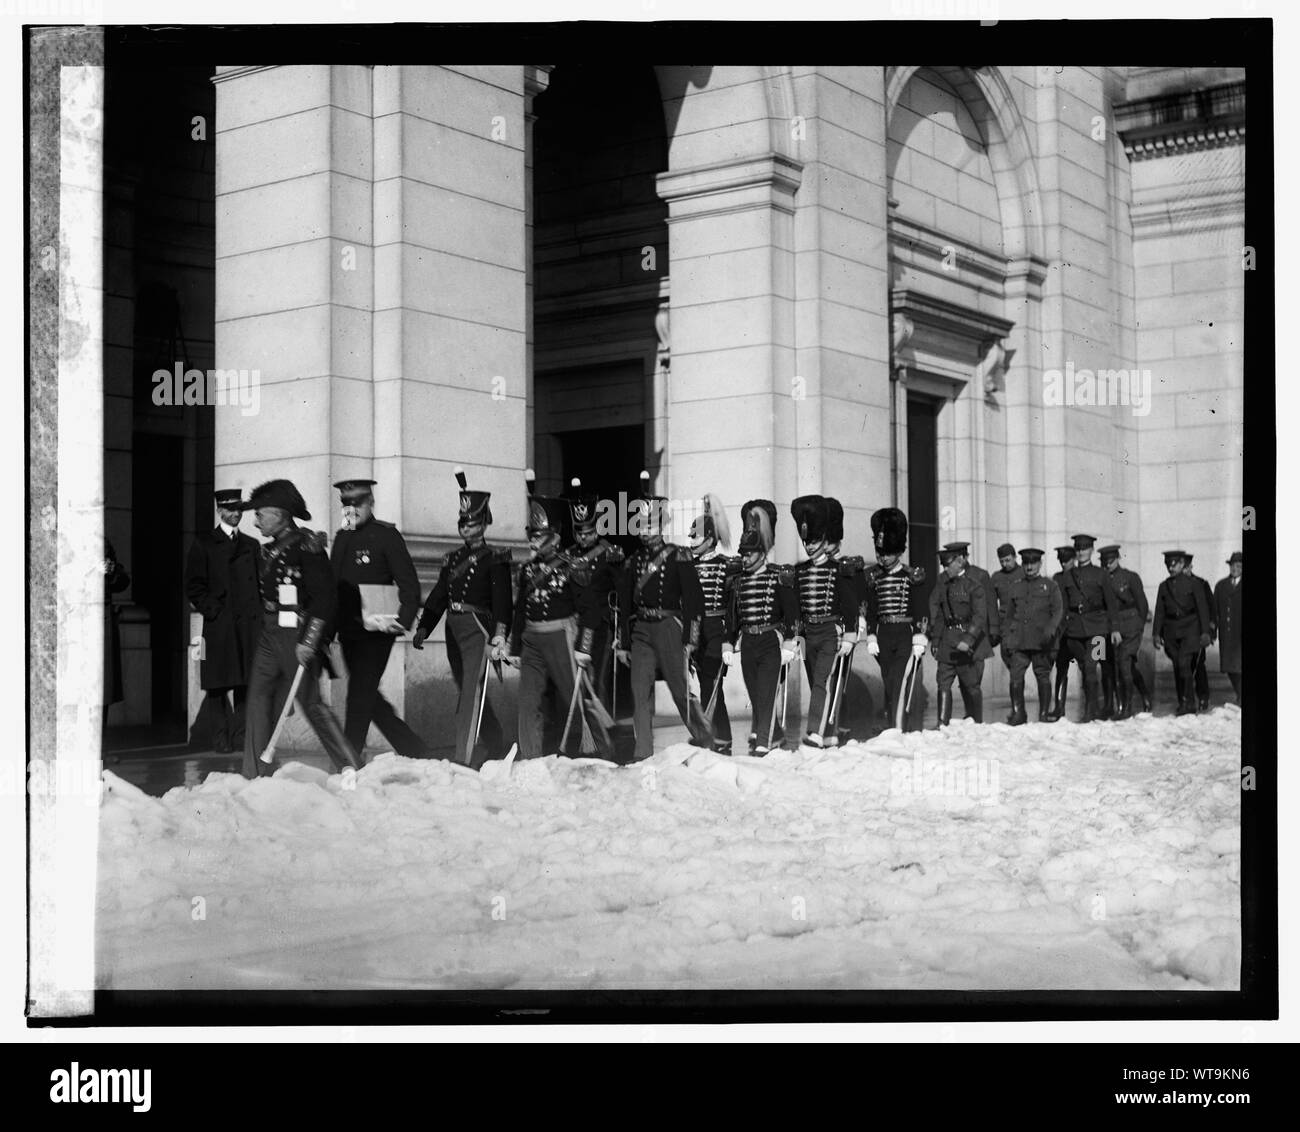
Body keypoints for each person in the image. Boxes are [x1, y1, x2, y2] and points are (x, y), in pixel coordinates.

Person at [238, 479, 360, 778]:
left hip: (297, 634)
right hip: (270, 632)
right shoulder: (267, 550)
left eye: (260, 514)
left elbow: (325, 597)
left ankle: (352, 769)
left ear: (280, 513)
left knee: (311, 704)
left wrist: (310, 640)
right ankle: (255, 775)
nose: (255, 522)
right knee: (257, 698)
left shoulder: (307, 545)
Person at [413, 467, 513, 765]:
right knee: (469, 687)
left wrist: (499, 634)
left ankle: (463, 758)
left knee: (470, 693)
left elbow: (503, 602)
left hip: (477, 629)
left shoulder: (495, 558)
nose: (465, 529)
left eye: (471, 524)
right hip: (452, 629)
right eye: (462, 523)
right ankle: (496, 741)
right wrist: (424, 627)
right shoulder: (452, 558)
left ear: (483, 524)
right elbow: (440, 595)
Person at [507, 477, 611, 760]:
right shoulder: (526, 570)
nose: (532, 540)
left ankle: (599, 750)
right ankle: (531, 757)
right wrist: (515, 647)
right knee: (528, 701)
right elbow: (520, 609)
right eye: (531, 534)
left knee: (574, 697)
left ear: (554, 537)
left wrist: (584, 647)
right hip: (532, 639)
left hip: (562, 636)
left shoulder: (572, 567)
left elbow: (590, 611)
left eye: (538, 536)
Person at [329, 478, 429, 762]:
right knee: (368, 695)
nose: (351, 509)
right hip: (350, 631)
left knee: (359, 693)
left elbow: (409, 584)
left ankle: (347, 759)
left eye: (357, 503)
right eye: (346, 504)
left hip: (378, 632)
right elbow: (333, 587)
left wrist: (403, 619)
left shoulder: (386, 536)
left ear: (370, 502)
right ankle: (413, 748)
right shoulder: (342, 537)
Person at [615, 471, 712, 762]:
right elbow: (624, 603)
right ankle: (642, 751)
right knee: (639, 690)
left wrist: (691, 638)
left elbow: (695, 601)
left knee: (679, 688)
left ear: (660, 525)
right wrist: (623, 642)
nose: (643, 531)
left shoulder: (678, 555)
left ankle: (703, 736)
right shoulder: (633, 561)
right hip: (643, 629)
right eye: (640, 525)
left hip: (670, 626)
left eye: (649, 525)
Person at [184, 489, 262, 752]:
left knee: (245, 682)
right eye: (229, 509)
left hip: (247, 625)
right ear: (219, 511)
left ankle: (240, 737)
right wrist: (213, 610)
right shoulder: (205, 542)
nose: (235, 514)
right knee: (217, 684)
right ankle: (220, 738)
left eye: (239, 509)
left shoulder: (251, 545)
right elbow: (193, 585)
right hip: (219, 625)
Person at [723, 500, 798, 755]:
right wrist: (727, 641)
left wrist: (790, 641)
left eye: (750, 553)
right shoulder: (737, 581)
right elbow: (734, 615)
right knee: (756, 694)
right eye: (743, 553)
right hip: (748, 643)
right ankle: (775, 734)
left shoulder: (778, 576)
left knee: (766, 694)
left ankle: (764, 742)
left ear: (762, 552)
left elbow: (791, 613)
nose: (745, 558)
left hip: (770, 642)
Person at [791, 495, 860, 748]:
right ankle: (830, 735)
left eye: (815, 541)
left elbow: (850, 605)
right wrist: (797, 637)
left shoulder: (838, 569)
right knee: (817, 683)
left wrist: (850, 635)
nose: (810, 546)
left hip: (831, 632)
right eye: (806, 541)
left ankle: (814, 733)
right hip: (809, 634)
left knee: (822, 682)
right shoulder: (800, 570)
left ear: (824, 539)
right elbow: (797, 608)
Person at [862, 507, 927, 732]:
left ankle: (897, 728)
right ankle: (894, 725)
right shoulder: (872, 576)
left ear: (898, 551)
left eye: (887, 553)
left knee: (899, 681)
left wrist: (920, 635)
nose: (883, 557)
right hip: (883, 635)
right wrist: (870, 634)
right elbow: (869, 609)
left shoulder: (912, 575)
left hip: (905, 635)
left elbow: (920, 608)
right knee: (889, 682)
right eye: (880, 553)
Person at [563, 477, 625, 710]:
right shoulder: (567, 555)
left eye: (588, 532)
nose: (583, 537)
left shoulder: (609, 553)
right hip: (571, 625)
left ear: (596, 529)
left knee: (595, 679)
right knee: (572, 680)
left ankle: (602, 733)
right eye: (579, 532)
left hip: (599, 626)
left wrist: (621, 630)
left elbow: (622, 591)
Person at [689, 494, 739, 753]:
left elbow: (732, 606)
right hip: (697, 632)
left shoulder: (726, 567)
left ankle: (712, 736)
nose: (691, 541)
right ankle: (721, 738)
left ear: (709, 540)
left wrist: (730, 639)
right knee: (707, 686)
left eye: (695, 536)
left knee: (712, 684)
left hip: (717, 632)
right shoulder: (690, 566)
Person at [1056, 533, 1119, 721]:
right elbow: (1064, 606)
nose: (1082, 552)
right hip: (1075, 631)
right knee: (1085, 668)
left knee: (1092, 666)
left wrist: (1114, 629)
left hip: (1099, 631)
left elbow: (1111, 603)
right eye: (1079, 549)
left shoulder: (1102, 574)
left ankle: (1091, 712)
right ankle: (1092, 707)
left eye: (1085, 548)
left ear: (1091, 550)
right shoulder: (1068, 576)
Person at [928, 545, 991, 725]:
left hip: (966, 643)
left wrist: (968, 640)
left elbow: (979, 617)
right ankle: (942, 722)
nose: (946, 570)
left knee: (971, 685)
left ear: (960, 561)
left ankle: (976, 721)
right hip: (948, 641)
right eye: (944, 566)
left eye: (949, 565)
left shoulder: (974, 586)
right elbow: (940, 615)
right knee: (943, 681)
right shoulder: (943, 585)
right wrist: (936, 641)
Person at [1001, 548, 1063, 723]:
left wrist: (1051, 629)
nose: (1029, 567)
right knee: (1015, 676)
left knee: (1043, 675)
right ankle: (1018, 713)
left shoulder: (1050, 586)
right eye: (1026, 563)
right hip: (1019, 641)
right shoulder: (1016, 587)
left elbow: (1057, 610)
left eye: (1033, 563)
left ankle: (1043, 713)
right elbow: (1009, 616)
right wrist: (1006, 639)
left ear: (1040, 564)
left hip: (1041, 641)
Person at [1152, 548, 1213, 716]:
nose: (1171, 569)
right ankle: (1183, 702)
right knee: (1178, 666)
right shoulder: (1164, 587)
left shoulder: (1194, 584)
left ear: (1181, 564)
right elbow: (1159, 612)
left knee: (1184, 664)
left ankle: (1189, 704)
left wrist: (1205, 632)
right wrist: (1156, 634)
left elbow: (1202, 609)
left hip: (1190, 630)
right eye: (1168, 565)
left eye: (1174, 565)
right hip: (1171, 632)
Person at [1099, 544, 1149, 719]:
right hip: (1107, 627)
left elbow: (1142, 604)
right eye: (1104, 562)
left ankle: (1126, 708)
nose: (1107, 565)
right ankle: (1141, 695)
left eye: (1111, 561)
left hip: (1130, 626)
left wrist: (1138, 626)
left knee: (1123, 663)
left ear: (1117, 559)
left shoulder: (1129, 577)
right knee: (1113, 666)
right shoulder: (1101, 579)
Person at [943, 541, 999, 646]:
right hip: (955, 632)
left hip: (977, 631)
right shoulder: (946, 577)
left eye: (960, 558)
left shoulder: (980, 575)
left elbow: (991, 604)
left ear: (966, 557)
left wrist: (994, 629)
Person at [1048, 544, 1080, 722]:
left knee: (1096, 665)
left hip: (1091, 632)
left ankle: (1097, 705)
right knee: (1061, 668)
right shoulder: (1057, 578)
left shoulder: (1082, 575)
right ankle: (1059, 706)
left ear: (1073, 559)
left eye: (1066, 560)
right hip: (1064, 633)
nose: (1063, 564)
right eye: (1061, 560)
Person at [102, 539, 131, 728]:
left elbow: (122, 580)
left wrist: (111, 571)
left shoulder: (103, 543)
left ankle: (101, 748)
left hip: (102, 621)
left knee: (103, 689)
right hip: (78, 624)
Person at [1184, 554, 1217, 712]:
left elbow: (1211, 609)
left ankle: (1203, 697)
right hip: (1183, 633)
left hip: (1199, 633)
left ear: (1191, 567)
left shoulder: (1201, 584)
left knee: (1198, 665)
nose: (1184, 571)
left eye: (1186, 567)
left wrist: (1210, 632)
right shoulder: (1174, 585)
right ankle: (1187, 698)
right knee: (1185, 666)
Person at [990, 543, 1024, 684]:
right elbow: (991, 604)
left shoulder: (1024, 573)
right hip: (1005, 626)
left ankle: (1017, 702)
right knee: (1008, 659)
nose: (1005, 564)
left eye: (1008, 560)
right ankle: (1016, 699)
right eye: (1002, 561)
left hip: (1023, 625)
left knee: (1019, 664)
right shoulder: (997, 577)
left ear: (1015, 557)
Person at [1214, 552, 1243, 705]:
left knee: (1240, 665)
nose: (1234, 568)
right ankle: (1240, 694)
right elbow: (1214, 611)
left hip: (1241, 634)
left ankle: (1241, 696)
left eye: (1238, 566)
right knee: (1229, 667)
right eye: (1232, 565)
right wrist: (1212, 630)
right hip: (1227, 633)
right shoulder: (1221, 585)